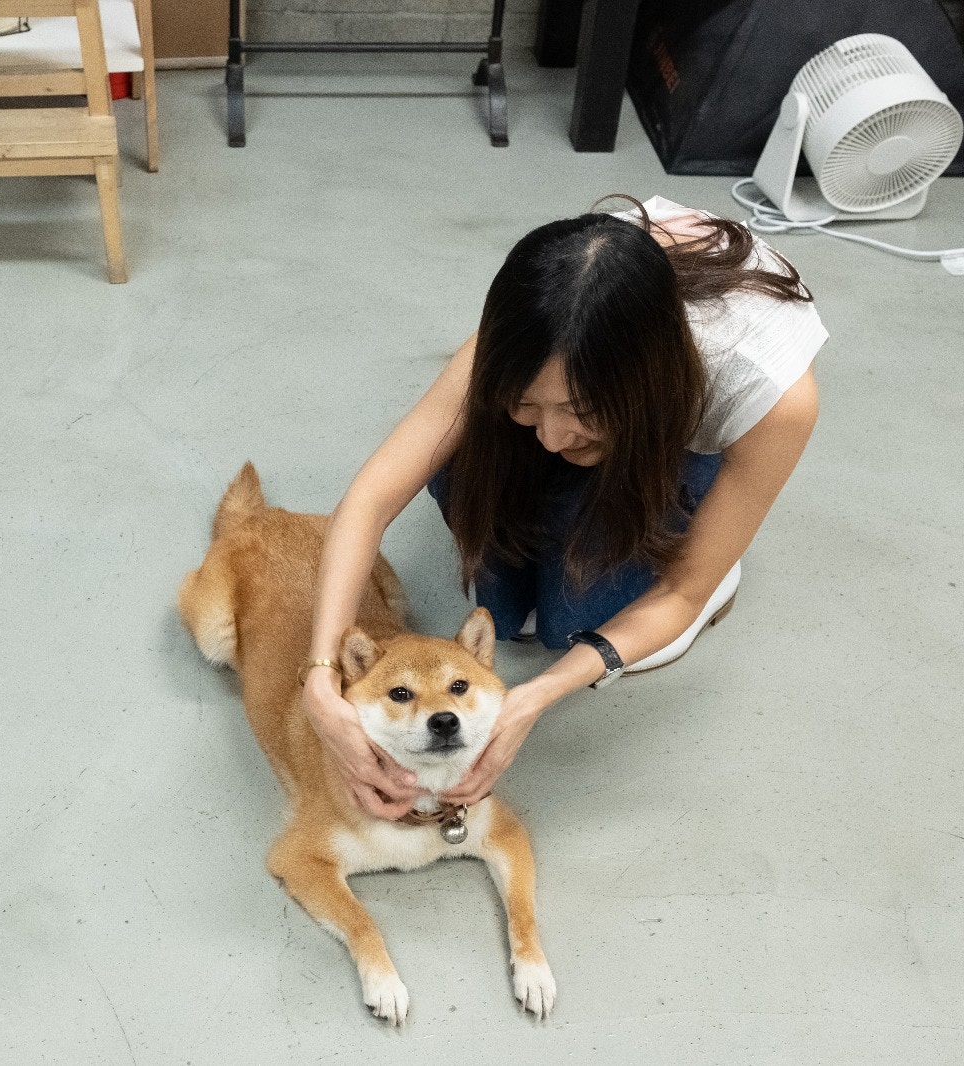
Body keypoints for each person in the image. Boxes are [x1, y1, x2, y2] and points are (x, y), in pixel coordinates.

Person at [302, 195, 826, 820]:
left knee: (567, 627)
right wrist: (322, 672)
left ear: (643, 383)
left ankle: (716, 546)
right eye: (525, 405)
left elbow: (680, 595)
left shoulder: (766, 388)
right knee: (503, 603)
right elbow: (372, 497)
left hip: (666, 447)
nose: (548, 438)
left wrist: (536, 697)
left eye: (578, 410)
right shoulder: (538, 322)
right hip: (614, 400)